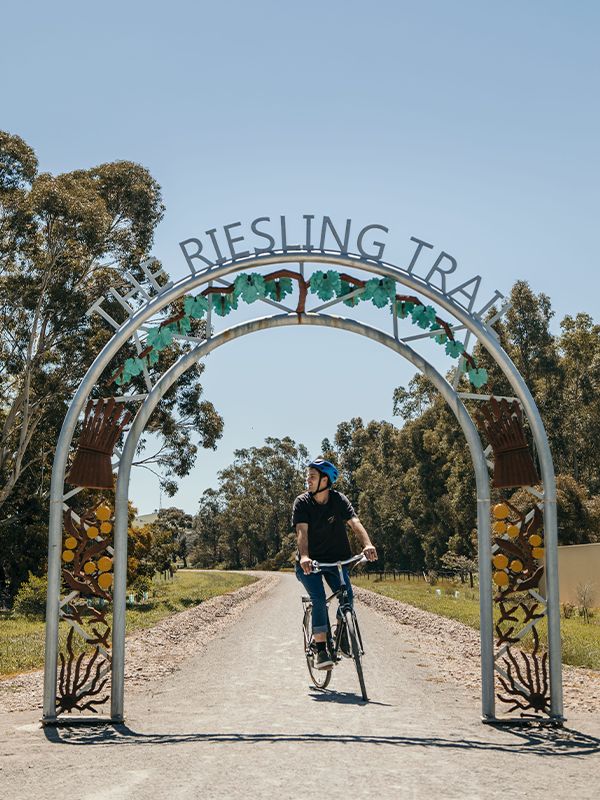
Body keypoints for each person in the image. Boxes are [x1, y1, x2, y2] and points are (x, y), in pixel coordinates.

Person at [292, 457, 377, 670]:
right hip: (310, 564)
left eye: (312, 477)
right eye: (308, 477)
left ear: (325, 480)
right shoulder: (302, 502)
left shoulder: (339, 500)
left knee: (347, 596)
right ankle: (320, 649)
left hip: (336, 561)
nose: (308, 481)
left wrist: (367, 544)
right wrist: (304, 556)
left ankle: (342, 630)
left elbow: (355, 522)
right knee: (319, 599)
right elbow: (302, 532)